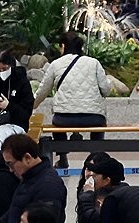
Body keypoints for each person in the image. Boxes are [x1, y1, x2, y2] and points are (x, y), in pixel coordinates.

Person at [33, 31, 113, 170]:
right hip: (93, 118)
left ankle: (63, 158)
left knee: (56, 123)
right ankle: (96, 158)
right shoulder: (93, 63)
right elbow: (105, 90)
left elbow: (42, 91)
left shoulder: (56, 64)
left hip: (64, 118)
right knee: (100, 121)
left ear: (63, 46)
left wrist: (31, 106)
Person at [0, 133, 67, 223]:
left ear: (27, 158)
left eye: (11, 164)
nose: (10, 170)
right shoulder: (28, 178)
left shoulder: (48, 186)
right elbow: (14, 211)